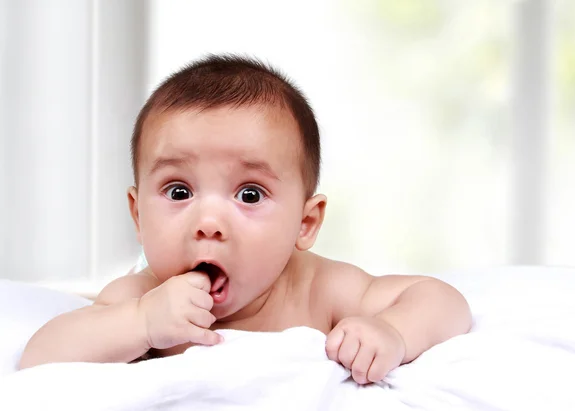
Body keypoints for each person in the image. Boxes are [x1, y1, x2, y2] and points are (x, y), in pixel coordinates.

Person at [20, 54, 471, 385]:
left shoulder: (317, 290)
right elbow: (41, 359)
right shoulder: (141, 296)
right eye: (179, 192)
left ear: (305, 223)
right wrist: (141, 324)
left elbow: (441, 300)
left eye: (249, 194)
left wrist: (393, 332)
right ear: (138, 215)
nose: (209, 222)